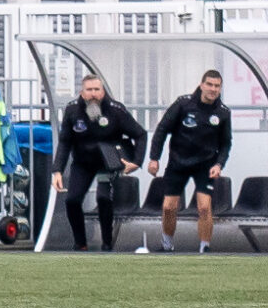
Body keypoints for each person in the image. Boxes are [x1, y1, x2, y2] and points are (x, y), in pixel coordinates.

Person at [51, 74, 146, 252]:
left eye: (97, 89)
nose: (94, 94)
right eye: (89, 90)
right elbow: (65, 142)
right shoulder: (72, 110)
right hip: (82, 162)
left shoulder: (116, 110)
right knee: (72, 200)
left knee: (103, 198)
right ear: (82, 92)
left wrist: (137, 162)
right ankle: (80, 244)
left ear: (103, 91)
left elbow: (140, 134)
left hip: (107, 162)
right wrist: (57, 171)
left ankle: (107, 243)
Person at [147, 70, 232, 253]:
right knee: (169, 207)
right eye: (209, 84)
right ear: (202, 85)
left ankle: (204, 248)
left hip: (205, 164)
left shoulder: (223, 113)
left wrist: (219, 164)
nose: (213, 89)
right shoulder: (183, 104)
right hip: (178, 162)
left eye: (217, 86)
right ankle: (167, 245)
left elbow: (226, 143)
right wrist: (154, 158)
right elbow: (162, 129)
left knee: (204, 207)